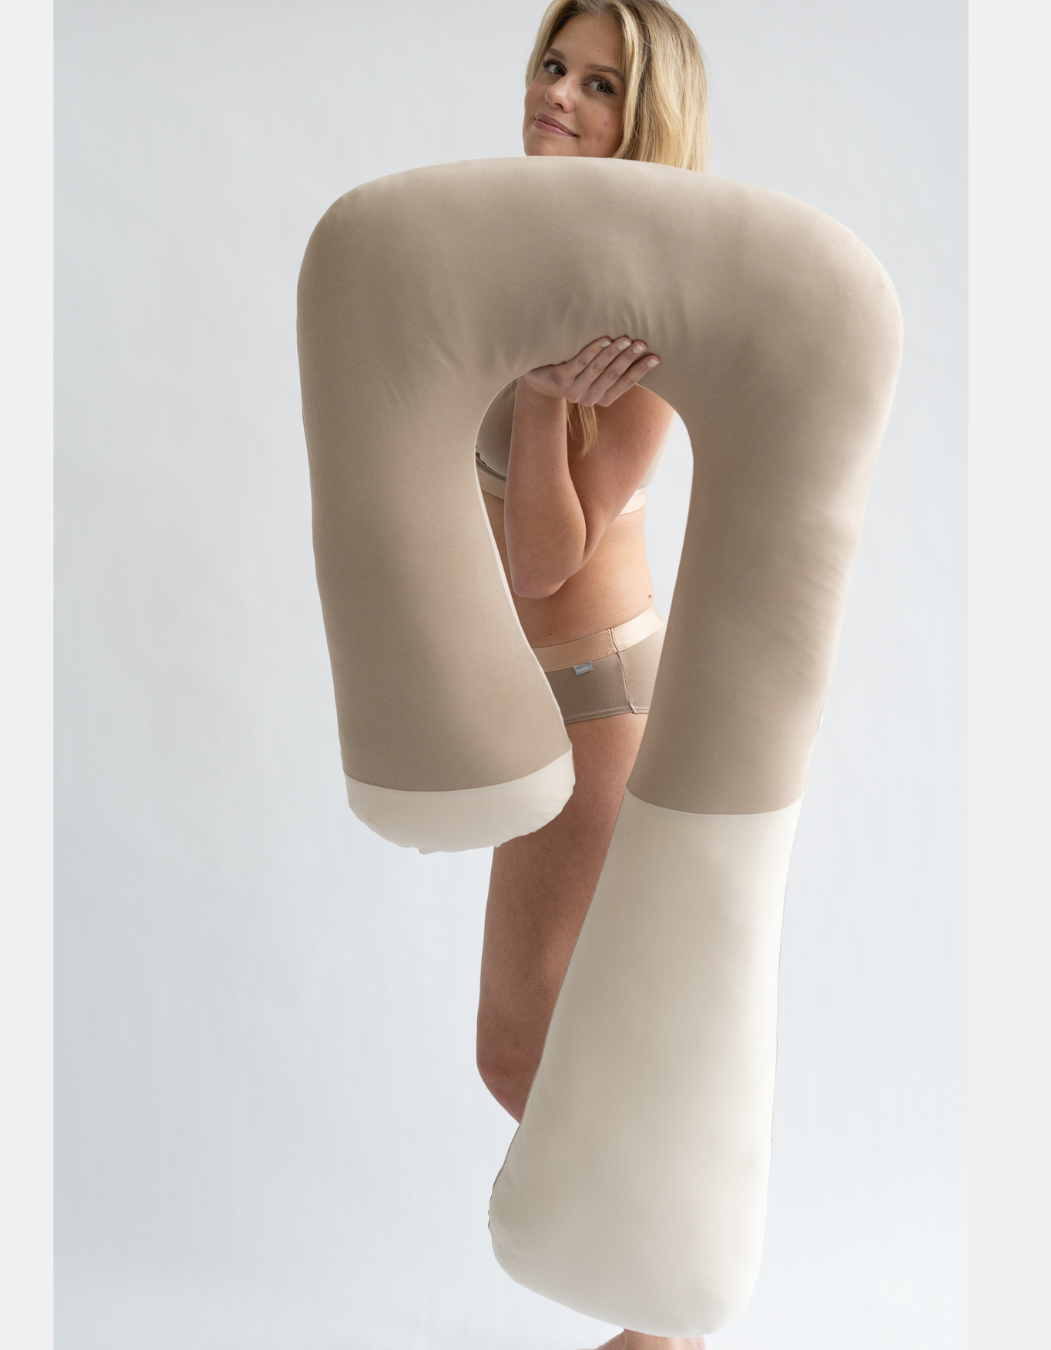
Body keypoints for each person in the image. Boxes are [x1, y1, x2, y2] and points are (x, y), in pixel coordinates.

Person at [472, 4, 711, 1349]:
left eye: (600, 84)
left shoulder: (648, 321)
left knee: (524, 1045)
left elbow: (545, 563)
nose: (558, 93)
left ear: (646, 119)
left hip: (599, 698)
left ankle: (666, 1312)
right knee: (539, 1041)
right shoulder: (517, 264)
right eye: (554, 66)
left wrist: (544, 393)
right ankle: (659, 1303)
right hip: (534, 700)